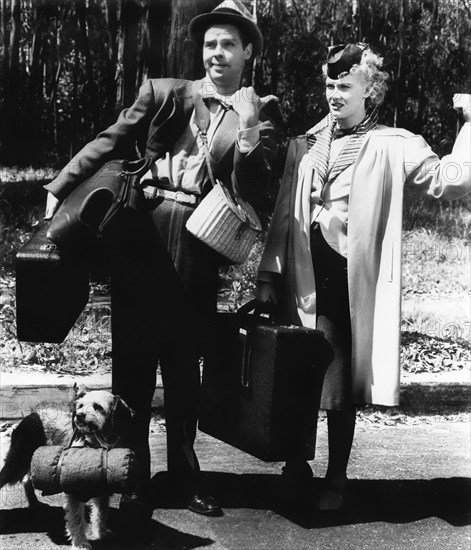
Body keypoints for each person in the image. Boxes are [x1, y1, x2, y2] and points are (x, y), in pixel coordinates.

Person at [44, 0, 277, 520]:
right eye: (210, 44)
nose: (217, 54)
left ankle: (185, 478)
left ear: (248, 53)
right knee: (132, 367)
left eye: (229, 45)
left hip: (199, 241)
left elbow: (255, 188)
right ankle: (132, 480)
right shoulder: (166, 92)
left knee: (182, 370)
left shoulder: (257, 111)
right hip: (143, 234)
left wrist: (248, 129)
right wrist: (60, 186)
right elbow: (112, 139)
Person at [256, 43, 470, 512]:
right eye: (330, 85)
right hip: (300, 275)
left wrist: (470, 126)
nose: (334, 94)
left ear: (368, 89)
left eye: (345, 86)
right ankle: (296, 464)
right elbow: (282, 215)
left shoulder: (394, 143)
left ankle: (336, 478)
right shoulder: (306, 143)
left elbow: (450, 180)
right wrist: (268, 276)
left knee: (334, 383)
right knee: (296, 376)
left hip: (346, 283)